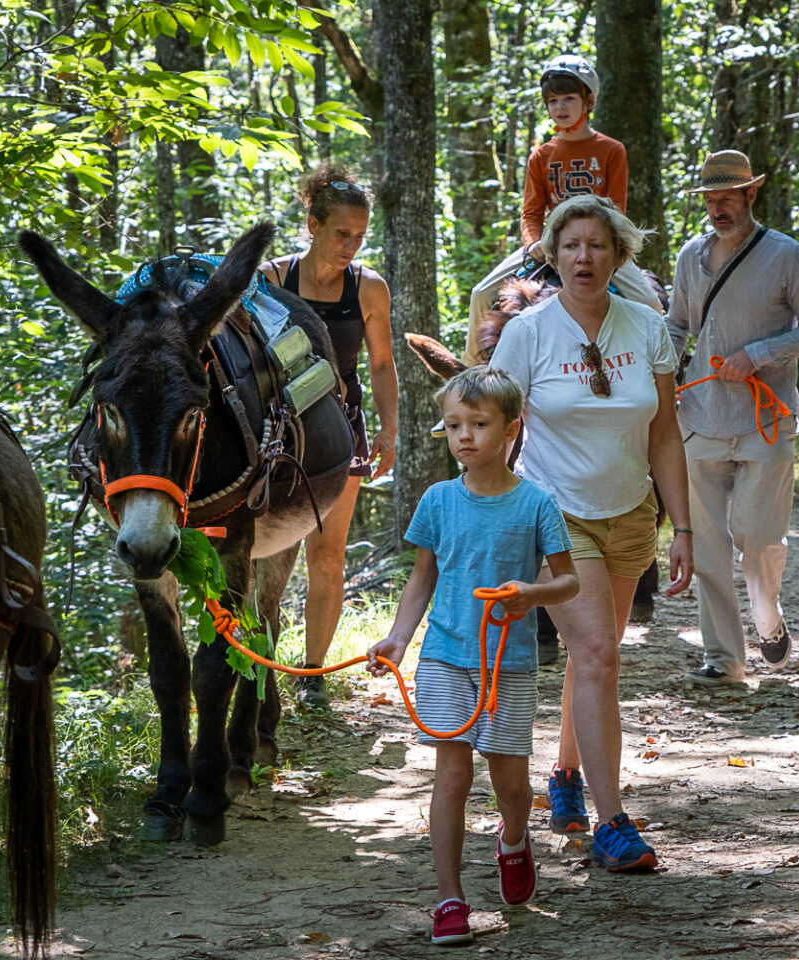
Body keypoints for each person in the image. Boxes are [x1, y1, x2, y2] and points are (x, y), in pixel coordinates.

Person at [488, 194, 694, 872]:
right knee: (601, 653)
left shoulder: (646, 328)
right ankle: (613, 823)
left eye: (597, 246)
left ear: (618, 255)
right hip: (558, 516)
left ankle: (566, 775)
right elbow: (497, 429)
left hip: (632, 512)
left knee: (591, 655)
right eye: (571, 245)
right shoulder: (529, 334)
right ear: (550, 253)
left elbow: (663, 432)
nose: (584, 257)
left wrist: (682, 525)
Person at [366, 366, 579, 945]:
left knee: (511, 784)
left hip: (508, 664)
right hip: (444, 655)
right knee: (452, 773)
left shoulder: (537, 504)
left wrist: (530, 594)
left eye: (479, 424)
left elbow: (569, 584)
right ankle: (449, 899)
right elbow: (421, 580)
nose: (465, 436)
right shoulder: (437, 500)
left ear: (512, 430)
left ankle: (513, 839)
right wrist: (398, 639)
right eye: (455, 424)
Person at [665, 150, 799, 687]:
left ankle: (768, 617)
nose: (718, 209)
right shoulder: (691, 256)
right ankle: (723, 659)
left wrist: (758, 354)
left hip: (767, 418)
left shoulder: (786, 255)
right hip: (699, 417)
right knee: (708, 545)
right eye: (710, 200)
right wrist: (663, 373)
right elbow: (675, 326)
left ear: (750, 196)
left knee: (758, 539)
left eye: (727, 199)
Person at [260, 165, 398, 710]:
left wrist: (389, 429)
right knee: (256, 555)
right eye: (342, 233)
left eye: (360, 236)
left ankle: (312, 673)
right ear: (313, 224)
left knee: (328, 554)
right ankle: (255, 666)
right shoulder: (271, 280)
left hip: (342, 430)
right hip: (275, 431)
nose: (351, 245)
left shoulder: (368, 287)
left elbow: (383, 364)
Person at [463, 54, 664, 365]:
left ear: (589, 100)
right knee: (480, 293)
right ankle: (474, 374)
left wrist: (604, 244)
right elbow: (531, 213)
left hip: (600, 240)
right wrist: (534, 244)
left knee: (651, 303)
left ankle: (666, 371)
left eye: (569, 98)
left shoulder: (612, 150)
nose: (560, 108)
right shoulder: (541, 156)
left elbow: (617, 209)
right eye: (553, 100)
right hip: (550, 241)